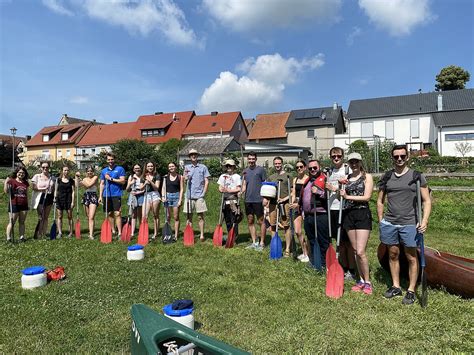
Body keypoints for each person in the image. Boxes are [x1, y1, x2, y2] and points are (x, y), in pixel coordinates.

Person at [377, 144, 432, 305]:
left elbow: (427, 200)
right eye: (396, 156)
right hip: (390, 223)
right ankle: (395, 286)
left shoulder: (416, 176)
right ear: (392, 158)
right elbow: (380, 200)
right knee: (393, 254)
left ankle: (411, 290)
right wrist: (381, 219)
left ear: (407, 157)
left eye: (402, 156)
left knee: (411, 257)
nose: (399, 159)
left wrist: (424, 221)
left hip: (410, 223)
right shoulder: (387, 177)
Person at [340, 153, 374, 295]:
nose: (353, 164)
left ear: (360, 163)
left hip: (361, 214)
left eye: (356, 162)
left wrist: (347, 196)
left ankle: (368, 282)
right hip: (349, 215)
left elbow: (367, 197)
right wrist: (338, 188)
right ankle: (360, 280)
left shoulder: (367, 177)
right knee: (354, 250)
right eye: (351, 162)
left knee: (360, 251)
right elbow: (341, 195)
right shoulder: (347, 179)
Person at [325, 147, 356, 280]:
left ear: (343, 157)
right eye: (333, 156)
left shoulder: (347, 170)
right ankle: (342, 265)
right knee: (339, 241)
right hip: (332, 209)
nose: (336, 158)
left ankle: (352, 269)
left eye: (338, 156)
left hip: (344, 209)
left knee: (347, 241)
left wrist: (335, 188)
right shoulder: (329, 171)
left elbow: (350, 188)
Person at [299, 159, 329, 271]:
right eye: (310, 168)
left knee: (322, 240)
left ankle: (323, 263)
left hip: (320, 215)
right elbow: (303, 198)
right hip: (308, 216)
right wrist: (302, 211)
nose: (312, 170)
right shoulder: (308, 181)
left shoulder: (325, 179)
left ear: (319, 167)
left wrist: (319, 192)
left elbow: (329, 195)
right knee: (311, 240)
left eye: (315, 168)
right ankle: (314, 261)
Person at [267, 156, 292, 257]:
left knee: (286, 226)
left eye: (279, 163)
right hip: (273, 204)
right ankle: (275, 246)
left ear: (282, 164)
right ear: (274, 165)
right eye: (275, 164)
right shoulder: (271, 177)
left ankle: (287, 249)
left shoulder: (288, 176)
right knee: (273, 225)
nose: (277, 165)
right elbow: (267, 191)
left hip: (284, 204)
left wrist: (284, 199)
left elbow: (292, 192)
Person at [242, 152, 267, 251]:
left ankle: (262, 243)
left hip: (258, 200)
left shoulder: (261, 170)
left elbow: (265, 184)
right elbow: (244, 184)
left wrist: (265, 198)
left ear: (256, 159)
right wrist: (241, 192)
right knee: (250, 221)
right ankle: (254, 242)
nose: (251, 160)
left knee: (261, 221)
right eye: (249, 159)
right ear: (247, 159)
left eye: (253, 159)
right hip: (248, 200)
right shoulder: (245, 171)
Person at [183, 149, 210, 241]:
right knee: (189, 217)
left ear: (197, 156)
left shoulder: (203, 167)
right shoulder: (187, 167)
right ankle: (189, 234)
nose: (193, 156)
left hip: (199, 196)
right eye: (191, 155)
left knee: (200, 216)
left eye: (195, 154)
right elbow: (184, 179)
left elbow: (206, 181)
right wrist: (186, 178)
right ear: (189, 157)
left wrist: (203, 193)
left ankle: (202, 235)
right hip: (189, 196)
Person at [99, 152, 126, 240]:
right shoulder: (103, 171)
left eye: (112, 159)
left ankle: (120, 233)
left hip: (116, 194)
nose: (110, 161)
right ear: (107, 160)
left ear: (114, 160)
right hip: (106, 195)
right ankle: (113, 231)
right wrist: (100, 196)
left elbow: (122, 181)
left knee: (117, 213)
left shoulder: (120, 169)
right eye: (109, 159)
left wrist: (111, 179)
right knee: (110, 213)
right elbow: (102, 184)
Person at [217, 159, 242, 243]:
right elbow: (220, 187)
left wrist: (228, 190)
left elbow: (239, 188)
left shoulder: (237, 176)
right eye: (227, 166)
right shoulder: (222, 176)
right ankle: (229, 235)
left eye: (230, 166)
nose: (229, 167)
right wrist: (221, 190)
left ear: (234, 167)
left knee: (234, 219)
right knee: (227, 220)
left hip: (233, 201)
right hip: (225, 200)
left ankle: (234, 237)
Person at [290, 160, 310, 262]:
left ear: (305, 167)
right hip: (297, 207)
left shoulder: (309, 179)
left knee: (308, 232)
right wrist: (292, 201)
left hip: (306, 207)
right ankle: (304, 252)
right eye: (297, 167)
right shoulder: (295, 179)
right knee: (297, 231)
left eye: (301, 167)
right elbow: (293, 193)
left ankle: (309, 253)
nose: (299, 169)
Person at [4, 167, 29, 242]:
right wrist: (6, 182)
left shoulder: (26, 183)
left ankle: (21, 237)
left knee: (22, 222)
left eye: (23, 173)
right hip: (14, 204)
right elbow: (6, 191)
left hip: (24, 204)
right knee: (12, 222)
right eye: (20, 172)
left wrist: (28, 204)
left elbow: (26, 194)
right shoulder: (12, 181)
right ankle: (8, 238)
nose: (21, 174)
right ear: (17, 173)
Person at [31, 161, 55, 239]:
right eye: (43, 167)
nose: (45, 168)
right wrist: (43, 189)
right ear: (41, 168)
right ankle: (38, 233)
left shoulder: (52, 177)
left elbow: (54, 189)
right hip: (40, 197)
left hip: (49, 197)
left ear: (49, 168)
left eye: (47, 167)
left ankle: (44, 234)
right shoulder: (37, 176)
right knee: (41, 216)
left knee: (46, 217)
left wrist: (54, 197)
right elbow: (34, 187)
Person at [161, 162, 184, 241]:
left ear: (176, 167)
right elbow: (163, 188)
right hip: (167, 197)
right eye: (170, 166)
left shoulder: (180, 177)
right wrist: (163, 197)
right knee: (167, 216)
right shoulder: (165, 177)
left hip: (176, 197)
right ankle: (168, 233)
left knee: (176, 217)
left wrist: (180, 200)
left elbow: (181, 189)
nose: (171, 168)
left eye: (172, 166)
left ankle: (176, 235)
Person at [76, 166, 99, 240]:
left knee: (91, 216)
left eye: (91, 171)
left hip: (93, 196)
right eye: (88, 171)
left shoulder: (95, 177)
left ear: (93, 172)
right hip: (86, 196)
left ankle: (91, 235)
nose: (89, 172)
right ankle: (91, 231)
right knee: (88, 216)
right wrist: (76, 177)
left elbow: (89, 185)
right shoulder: (85, 179)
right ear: (86, 172)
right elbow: (77, 185)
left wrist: (81, 181)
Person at [142, 161, 161, 240]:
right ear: (146, 167)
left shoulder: (157, 175)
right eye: (148, 166)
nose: (150, 167)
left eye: (151, 166)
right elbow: (141, 188)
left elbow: (156, 187)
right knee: (144, 216)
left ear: (154, 167)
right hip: (147, 195)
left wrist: (150, 181)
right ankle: (144, 233)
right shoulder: (143, 176)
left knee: (155, 215)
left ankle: (156, 233)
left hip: (155, 195)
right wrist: (145, 183)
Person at [55, 165, 75, 238]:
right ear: (62, 171)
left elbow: (73, 191)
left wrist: (73, 202)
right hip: (59, 199)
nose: (66, 172)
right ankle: (60, 232)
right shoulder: (58, 180)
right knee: (60, 216)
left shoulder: (71, 180)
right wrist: (55, 197)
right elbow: (56, 190)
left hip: (68, 199)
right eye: (65, 170)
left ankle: (71, 232)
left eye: (67, 170)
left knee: (69, 216)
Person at [125, 164, 145, 240]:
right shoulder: (131, 177)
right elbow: (127, 189)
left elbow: (144, 189)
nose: (137, 169)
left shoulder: (143, 177)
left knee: (140, 214)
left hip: (140, 195)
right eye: (135, 168)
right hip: (132, 196)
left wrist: (138, 193)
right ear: (133, 169)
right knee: (133, 215)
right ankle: (132, 232)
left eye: (138, 168)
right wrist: (130, 183)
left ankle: (140, 230)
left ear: (140, 169)